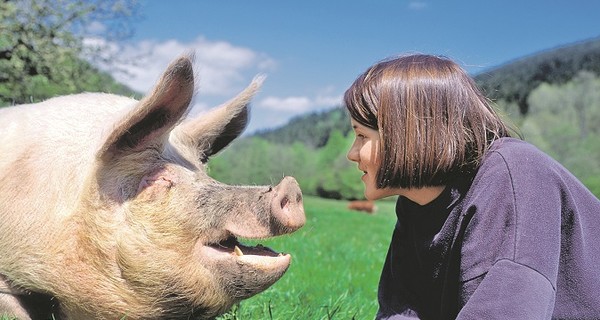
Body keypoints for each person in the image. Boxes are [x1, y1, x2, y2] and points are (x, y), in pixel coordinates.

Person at [344, 54, 600, 320]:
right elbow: (400, 311)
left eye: (362, 135)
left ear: (406, 132)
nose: (352, 153)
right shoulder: (415, 205)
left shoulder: (514, 176)